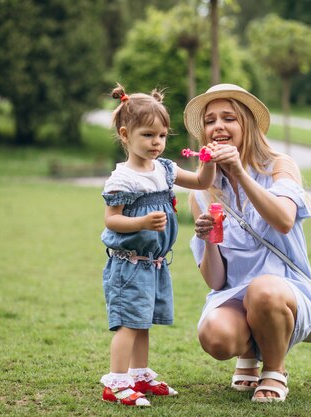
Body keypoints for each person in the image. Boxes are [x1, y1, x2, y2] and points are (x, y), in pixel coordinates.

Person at [183, 84, 311, 403]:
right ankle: (247, 350)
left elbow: (284, 219)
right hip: (236, 294)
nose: (218, 126)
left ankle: (274, 369)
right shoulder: (202, 191)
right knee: (214, 337)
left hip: (286, 292)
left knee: (263, 290)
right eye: (210, 120)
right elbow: (216, 281)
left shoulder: (278, 166)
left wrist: (240, 172)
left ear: (246, 124)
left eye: (228, 118)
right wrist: (208, 240)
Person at [99, 84, 216, 407]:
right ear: (125, 134)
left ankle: (139, 374)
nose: (157, 143)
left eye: (162, 136)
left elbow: (202, 182)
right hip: (129, 264)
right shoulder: (123, 179)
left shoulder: (164, 169)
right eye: (148, 135)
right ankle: (117, 382)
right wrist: (141, 223)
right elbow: (112, 220)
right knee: (128, 323)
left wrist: (208, 159)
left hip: (154, 263)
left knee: (143, 320)